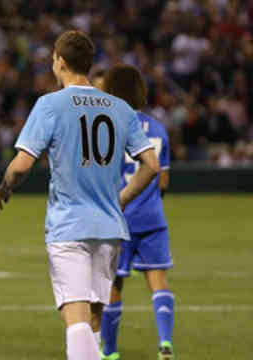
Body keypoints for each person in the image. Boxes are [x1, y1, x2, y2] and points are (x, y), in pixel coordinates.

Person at [0, 30, 160, 360]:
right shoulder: (119, 108)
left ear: (60, 62)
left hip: (69, 225)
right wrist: (120, 199)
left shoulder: (50, 105)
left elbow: (22, 165)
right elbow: (151, 165)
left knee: (75, 316)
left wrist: (4, 188)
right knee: (94, 317)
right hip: (110, 227)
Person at [99, 65, 175, 360]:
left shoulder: (107, 127)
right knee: (158, 280)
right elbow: (163, 180)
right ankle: (165, 343)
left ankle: (111, 351)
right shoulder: (158, 128)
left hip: (118, 217)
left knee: (114, 285)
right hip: (153, 218)